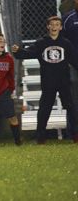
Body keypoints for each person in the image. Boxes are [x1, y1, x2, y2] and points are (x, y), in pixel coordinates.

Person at [12, 16, 78, 144]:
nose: (54, 27)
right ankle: (41, 137)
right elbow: (27, 53)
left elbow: (75, 60)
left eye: (57, 24)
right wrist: (17, 51)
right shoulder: (41, 43)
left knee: (70, 107)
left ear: (60, 27)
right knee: (44, 109)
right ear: (48, 26)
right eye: (52, 24)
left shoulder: (66, 43)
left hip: (64, 81)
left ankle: (75, 135)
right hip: (48, 82)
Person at [61, 0, 78, 137]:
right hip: (73, 65)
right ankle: (73, 132)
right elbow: (62, 42)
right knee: (73, 99)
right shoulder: (67, 17)